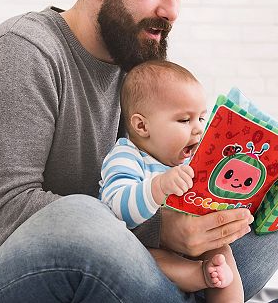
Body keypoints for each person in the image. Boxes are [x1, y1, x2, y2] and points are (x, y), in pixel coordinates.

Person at [0, 0, 278, 302]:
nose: (171, 11)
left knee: (275, 221)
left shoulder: (137, 61)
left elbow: (154, 168)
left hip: (129, 257)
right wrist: (162, 228)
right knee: (82, 217)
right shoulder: (23, 53)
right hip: (10, 273)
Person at [100, 60, 246, 303]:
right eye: (184, 120)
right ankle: (199, 275)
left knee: (222, 254)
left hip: (191, 247)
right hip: (141, 251)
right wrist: (157, 187)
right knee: (149, 257)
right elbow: (115, 208)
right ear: (142, 125)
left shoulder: (188, 162)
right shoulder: (127, 155)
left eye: (201, 118)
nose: (198, 129)